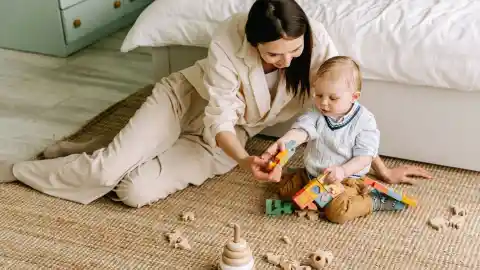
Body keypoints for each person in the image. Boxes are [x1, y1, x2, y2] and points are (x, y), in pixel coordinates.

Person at [0, 0, 431, 208]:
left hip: (227, 138)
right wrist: (247, 161)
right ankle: (19, 170)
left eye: (293, 51)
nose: (287, 62)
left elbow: (345, 118)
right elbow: (220, 113)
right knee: (104, 172)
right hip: (186, 103)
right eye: (273, 55)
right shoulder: (229, 36)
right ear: (252, 41)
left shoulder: (315, 44)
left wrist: (382, 171)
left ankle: (100, 147)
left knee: (132, 191)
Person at [270, 56, 410, 224]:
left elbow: (365, 157)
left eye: (333, 98)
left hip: (346, 179)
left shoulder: (365, 121)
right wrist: (285, 141)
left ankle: (372, 201)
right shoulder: (316, 112)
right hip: (313, 174)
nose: (323, 102)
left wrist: (343, 171)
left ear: (354, 97)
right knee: (283, 191)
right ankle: (310, 195)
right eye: (319, 94)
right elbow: (302, 131)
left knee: (337, 213)